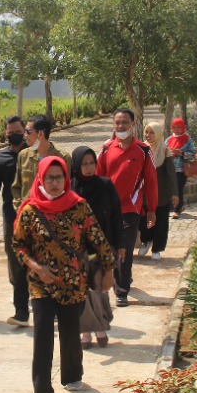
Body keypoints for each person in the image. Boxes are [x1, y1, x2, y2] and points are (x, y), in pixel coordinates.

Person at [13, 156, 115, 393]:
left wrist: (109, 270)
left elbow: (98, 239)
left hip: (73, 282)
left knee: (70, 332)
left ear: (66, 179)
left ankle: (71, 375)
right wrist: (36, 267)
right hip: (41, 283)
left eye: (59, 177)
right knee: (42, 335)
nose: (55, 182)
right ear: (41, 178)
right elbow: (19, 245)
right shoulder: (30, 210)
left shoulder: (79, 207)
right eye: (50, 177)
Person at [96, 108, 158, 308]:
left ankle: (122, 291)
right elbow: (98, 178)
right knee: (110, 249)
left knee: (126, 250)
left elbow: (151, 181)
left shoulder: (143, 150)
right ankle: (120, 277)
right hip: (107, 209)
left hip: (131, 209)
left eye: (124, 122)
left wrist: (152, 209)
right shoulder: (106, 149)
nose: (120, 126)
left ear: (133, 124)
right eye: (117, 123)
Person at [0, 115, 31, 327]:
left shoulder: (35, 154)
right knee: (15, 258)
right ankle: (21, 307)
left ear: (25, 131)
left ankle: (42, 299)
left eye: (18, 131)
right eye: (10, 133)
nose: (14, 135)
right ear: (5, 134)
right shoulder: (1, 159)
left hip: (37, 214)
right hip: (12, 215)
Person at [71, 145, 121, 349]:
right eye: (84, 163)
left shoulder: (106, 185)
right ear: (76, 165)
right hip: (79, 248)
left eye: (92, 163)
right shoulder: (71, 187)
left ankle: (100, 327)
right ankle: (85, 332)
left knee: (99, 287)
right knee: (82, 290)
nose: (89, 167)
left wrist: (118, 245)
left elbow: (117, 215)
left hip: (102, 246)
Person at [12, 114, 67, 212]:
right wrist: (20, 209)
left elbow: (67, 190)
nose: (25, 136)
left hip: (53, 217)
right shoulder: (23, 156)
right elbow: (17, 187)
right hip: (28, 217)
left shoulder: (63, 158)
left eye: (28, 132)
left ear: (40, 134)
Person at [137, 121, 174, 260]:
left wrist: (174, 193)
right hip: (144, 193)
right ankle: (146, 241)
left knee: (161, 222)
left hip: (161, 194)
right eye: (147, 132)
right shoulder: (141, 148)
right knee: (143, 220)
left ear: (158, 134)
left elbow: (171, 173)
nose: (148, 135)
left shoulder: (165, 150)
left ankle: (157, 248)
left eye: (152, 132)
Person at [166, 118, 196, 219]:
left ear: (183, 127)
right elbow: (163, 152)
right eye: (174, 127)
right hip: (169, 169)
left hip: (182, 170)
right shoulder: (169, 139)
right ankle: (173, 206)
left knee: (178, 189)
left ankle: (177, 210)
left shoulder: (188, 140)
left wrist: (182, 153)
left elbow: (192, 155)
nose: (176, 129)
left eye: (179, 127)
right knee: (169, 189)